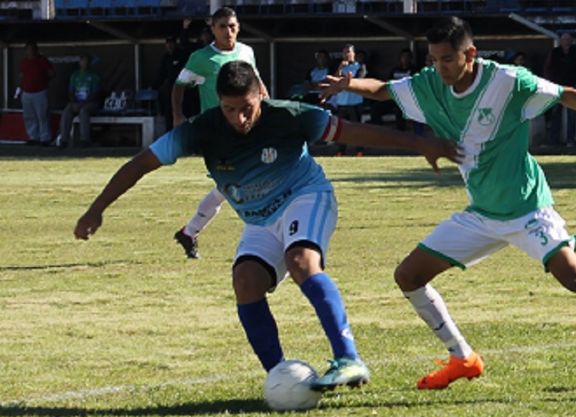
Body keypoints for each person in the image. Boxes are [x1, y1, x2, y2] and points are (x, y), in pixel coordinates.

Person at [322, 16, 576, 390]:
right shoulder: (428, 84)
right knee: (408, 276)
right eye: (433, 60)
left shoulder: (507, 81)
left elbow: (565, 94)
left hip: (527, 209)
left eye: (447, 59)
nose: (439, 68)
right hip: (481, 214)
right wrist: (350, 83)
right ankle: (462, 358)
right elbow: (385, 90)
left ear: (470, 54)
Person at [73, 61, 460, 393]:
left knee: (302, 262)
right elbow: (141, 163)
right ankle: (280, 377)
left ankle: (349, 359)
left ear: (260, 92)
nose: (239, 118)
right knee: (245, 283)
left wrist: (420, 143)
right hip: (259, 219)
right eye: (229, 109)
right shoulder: (201, 129)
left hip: (305, 196)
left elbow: (355, 132)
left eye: (246, 107)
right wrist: (97, 209)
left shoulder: (290, 115)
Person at [171, 7, 269, 259]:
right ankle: (264, 237)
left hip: (247, 127)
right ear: (212, 29)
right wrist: (178, 115)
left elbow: (256, 83)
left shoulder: (247, 52)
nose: (229, 31)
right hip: (218, 132)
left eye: (233, 26)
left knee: (232, 184)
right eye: (223, 26)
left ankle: (190, 232)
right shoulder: (201, 58)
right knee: (242, 181)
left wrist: (267, 105)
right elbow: (179, 86)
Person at [543, 33, 576, 147]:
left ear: (571, 41)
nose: (566, 42)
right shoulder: (554, 53)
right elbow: (548, 69)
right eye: (564, 39)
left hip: (573, 88)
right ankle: (553, 140)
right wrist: (550, 83)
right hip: (557, 88)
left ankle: (570, 140)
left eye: (568, 39)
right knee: (555, 114)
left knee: (572, 115)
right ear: (561, 41)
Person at [58, 54, 101, 148]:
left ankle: (84, 140)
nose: (84, 63)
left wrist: (82, 104)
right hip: (76, 103)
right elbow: (71, 92)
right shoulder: (75, 75)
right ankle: (64, 140)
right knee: (67, 110)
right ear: (80, 62)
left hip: (90, 103)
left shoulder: (94, 76)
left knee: (83, 111)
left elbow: (95, 93)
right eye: (83, 61)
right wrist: (74, 103)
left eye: (86, 61)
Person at [19, 41, 55, 146]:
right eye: (28, 49)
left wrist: (42, 81)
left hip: (40, 92)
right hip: (26, 93)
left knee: (42, 116)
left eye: (32, 49)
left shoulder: (42, 60)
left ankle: (45, 138)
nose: (30, 51)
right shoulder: (24, 62)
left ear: (36, 50)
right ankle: (33, 137)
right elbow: (21, 75)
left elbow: (52, 73)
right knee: (29, 116)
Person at [334, 44, 366, 156]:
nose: (346, 54)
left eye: (348, 52)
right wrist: (340, 69)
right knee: (341, 129)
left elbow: (357, 81)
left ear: (353, 54)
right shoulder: (341, 67)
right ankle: (340, 151)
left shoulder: (360, 66)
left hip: (355, 102)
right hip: (341, 103)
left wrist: (344, 82)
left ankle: (359, 150)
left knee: (357, 128)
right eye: (344, 52)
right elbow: (335, 81)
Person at [152, 36, 188, 131]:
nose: (169, 45)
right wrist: (154, 87)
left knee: (182, 111)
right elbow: (161, 74)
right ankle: (169, 133)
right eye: (168, 43)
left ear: (175, 44)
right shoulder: (166, 57)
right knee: (168, 113)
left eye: (171, 43)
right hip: (170, 89)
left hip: (182, 89)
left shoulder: (182, 55)